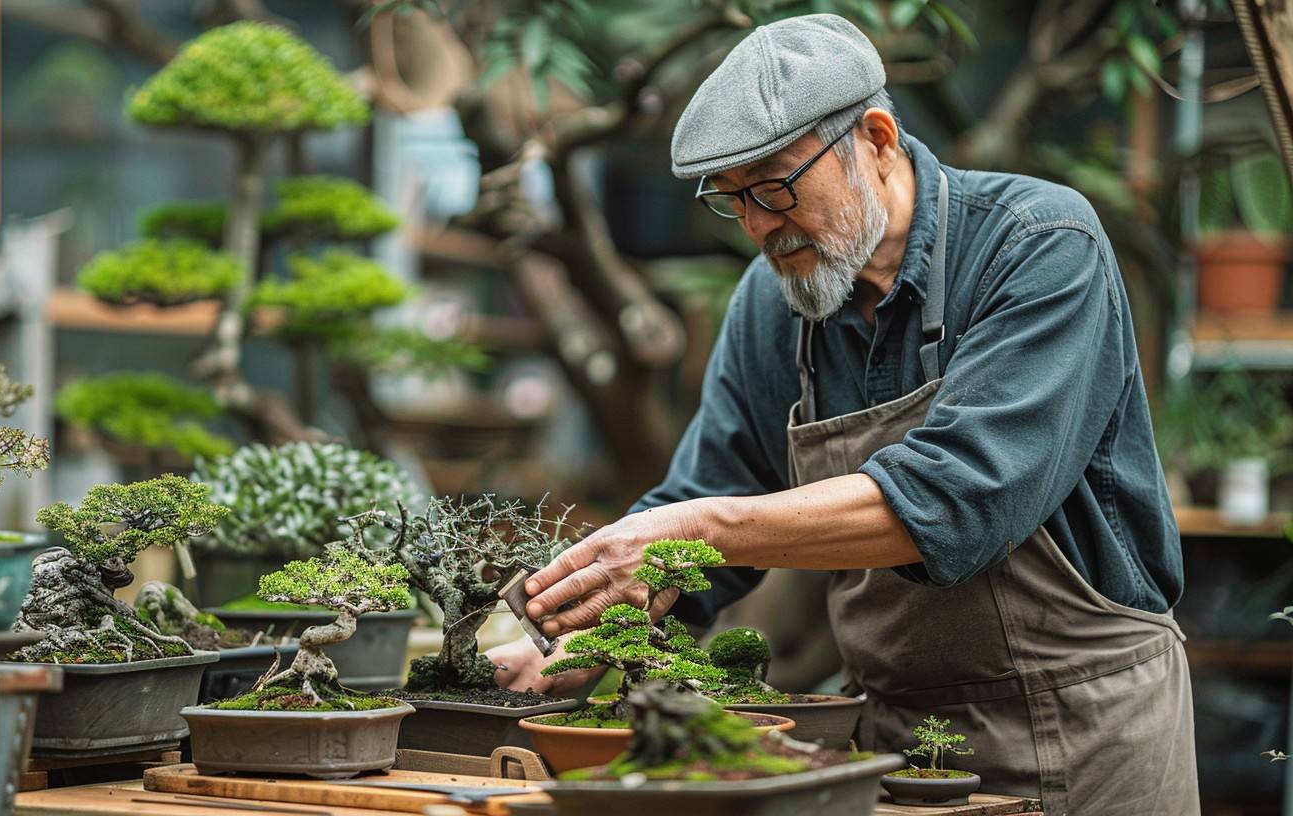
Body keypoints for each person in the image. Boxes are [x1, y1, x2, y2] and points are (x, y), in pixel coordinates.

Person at [486, 14, 1198, 816]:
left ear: (879, 138)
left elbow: (957, 499)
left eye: (776, 187)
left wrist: (699, 529)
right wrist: (582, 636)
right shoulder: (773, 302)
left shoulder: (1038, 246)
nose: (759, 225)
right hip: (889, 741)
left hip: (1082, 727)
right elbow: (713, 484)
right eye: (733, 201)